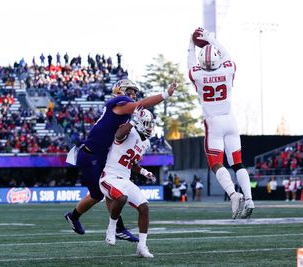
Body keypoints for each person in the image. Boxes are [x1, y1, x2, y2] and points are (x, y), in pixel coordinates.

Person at [64, 79, 177, 241]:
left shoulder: (126, 117)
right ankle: (107, 225)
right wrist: (165, 94)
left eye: (135, 93)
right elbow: (143, 103)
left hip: (100, 155)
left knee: (105, 192)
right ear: (120, 92)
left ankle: (110, 226)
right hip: (90, 155)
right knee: (98, 194)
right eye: (129, 92)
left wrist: (143, 169)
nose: (133, 96)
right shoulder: (118, 104)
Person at [187, 27, 254, 219]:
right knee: (238, 163)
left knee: (215, 163)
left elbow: (190, 61)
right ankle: (249, 199)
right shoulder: (228, 69)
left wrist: (191, 43)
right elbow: (227, 54)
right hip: (230, 120)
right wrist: (211, 39)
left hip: (213, 122)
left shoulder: (197, 75)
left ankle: (233, 195)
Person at [99, 108, 156, 258]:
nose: (150, 127)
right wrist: (133, 121)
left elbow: (132, 163)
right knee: (122, 197)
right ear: (139, 122)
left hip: (125, 179)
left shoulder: (146, 143)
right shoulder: (128, 131)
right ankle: (112, 229)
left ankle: (142, 247)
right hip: (109, 177)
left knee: (144, 207)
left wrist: (144, 172)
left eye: (151, 124)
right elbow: (118, 135)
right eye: (147, 123)